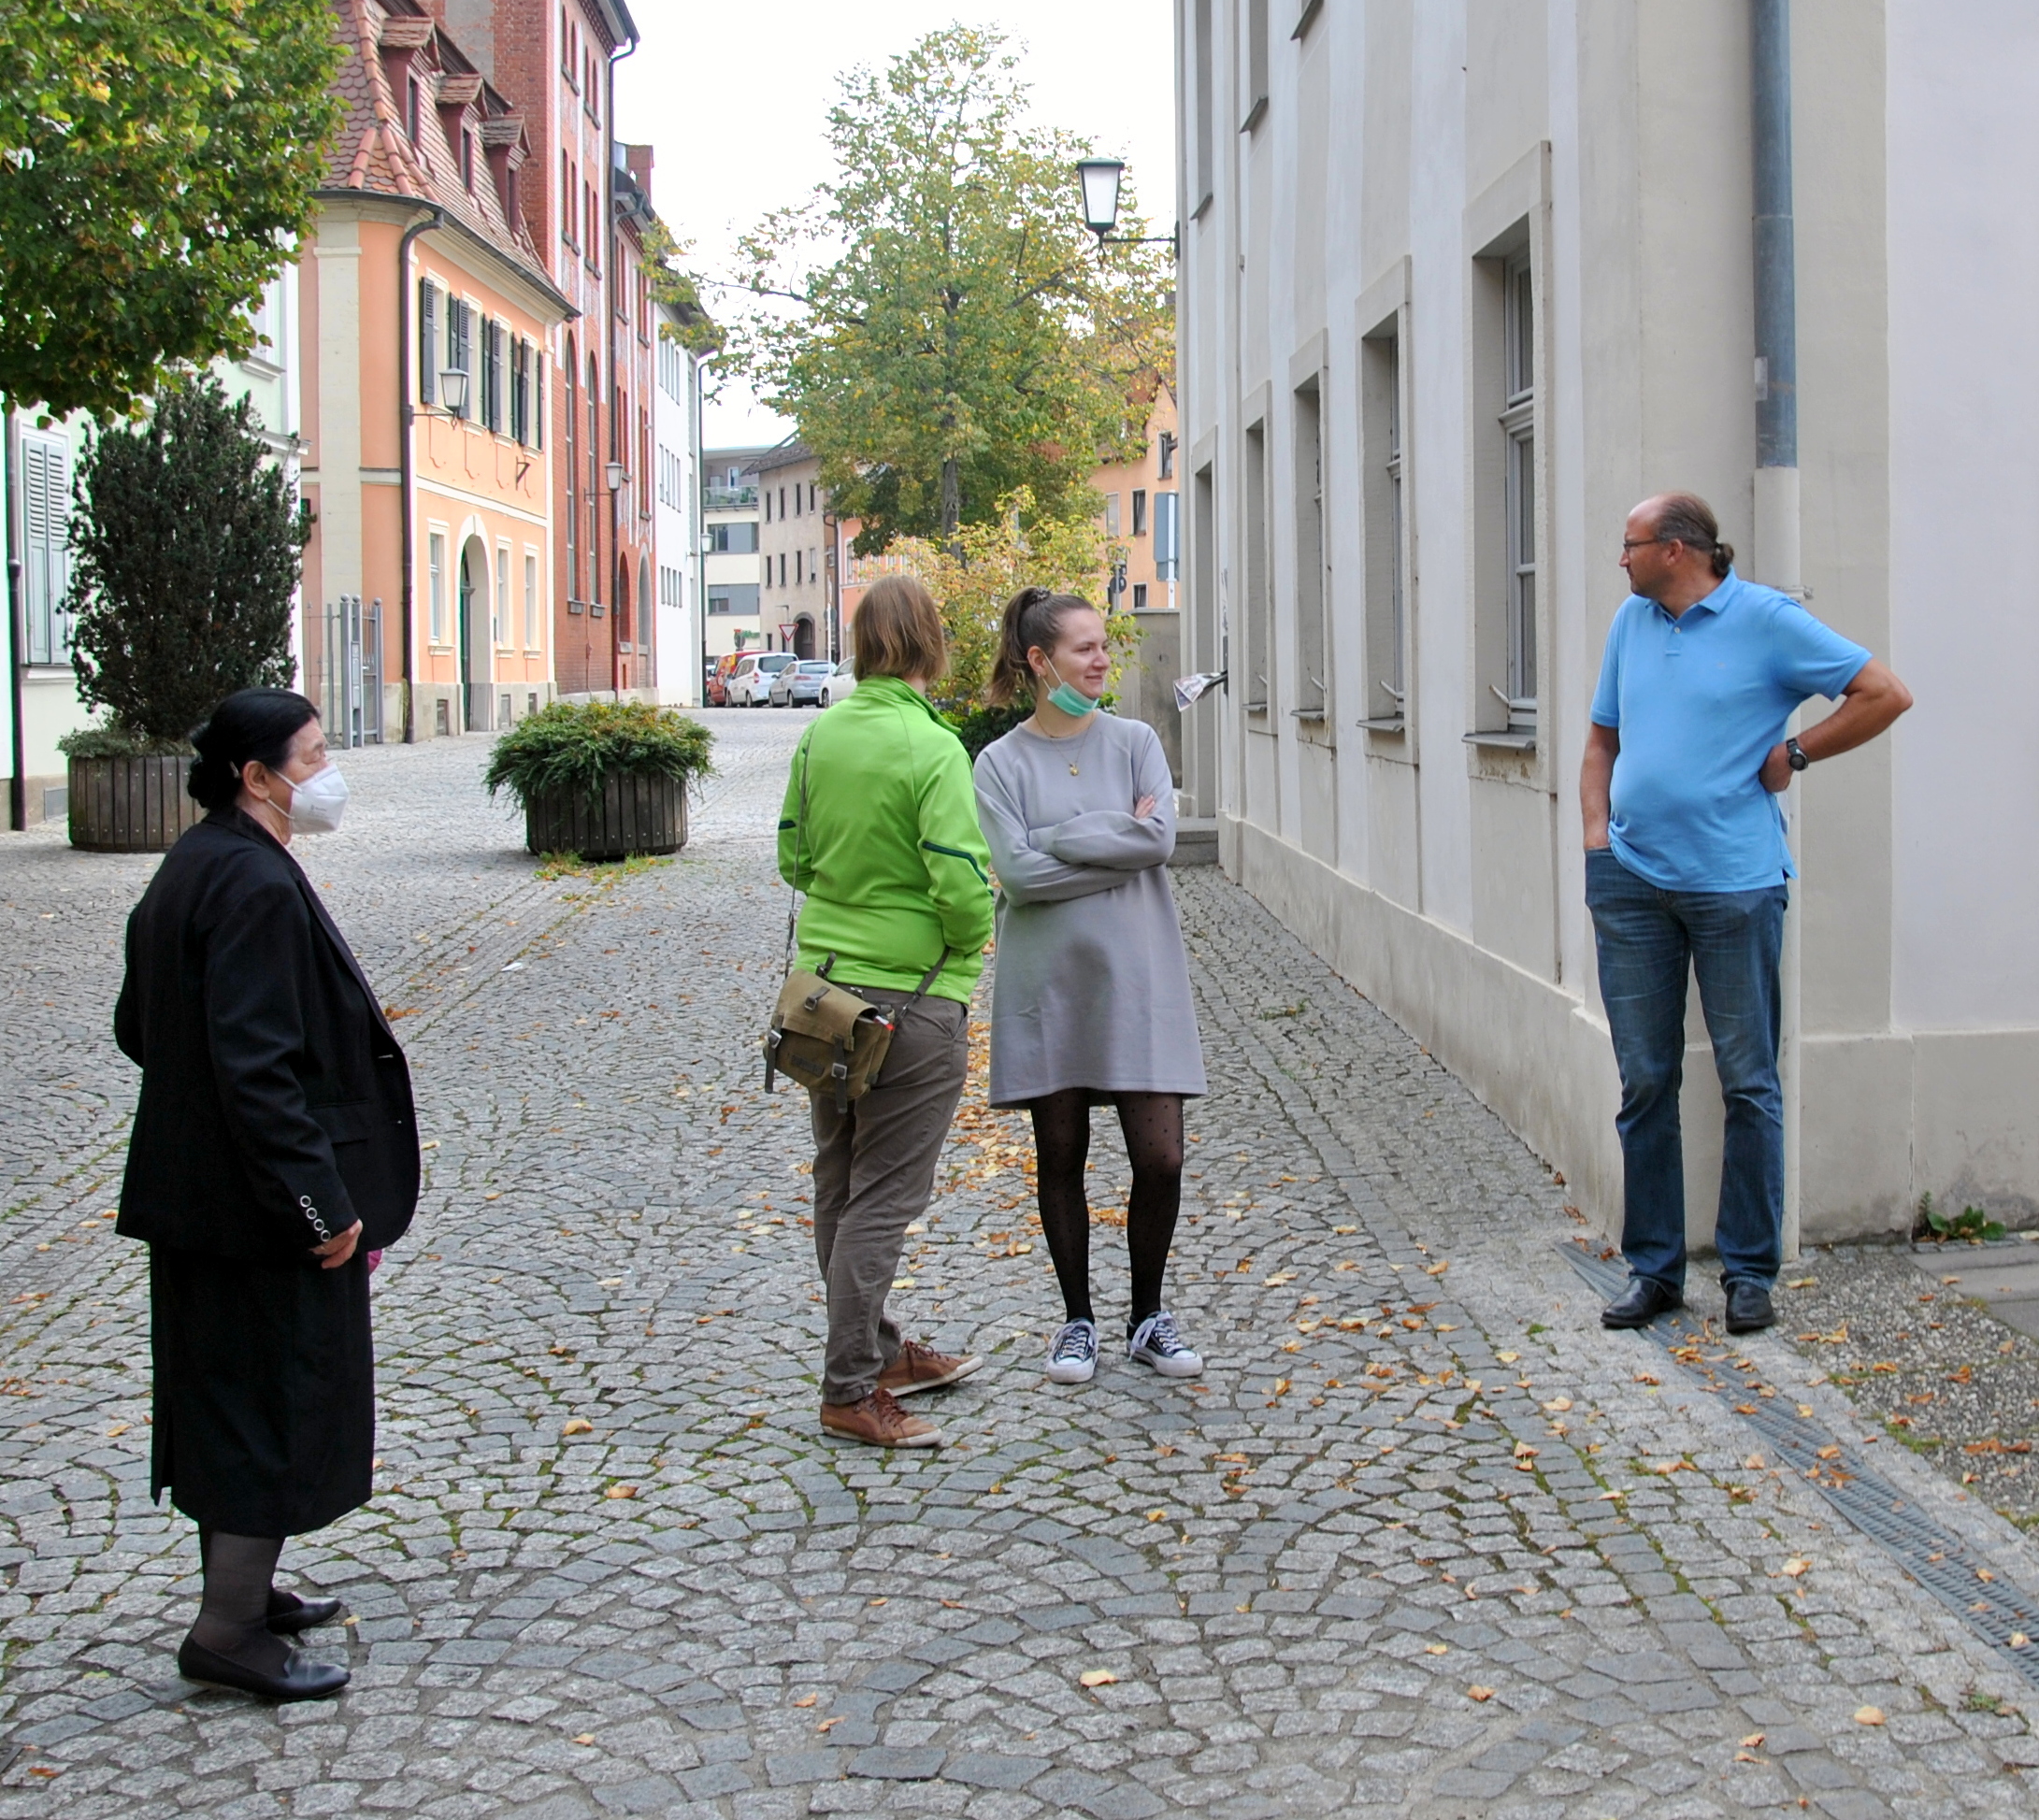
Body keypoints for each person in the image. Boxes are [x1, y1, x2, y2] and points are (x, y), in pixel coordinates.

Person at [115, 688, 419, 1699]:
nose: (328, 772)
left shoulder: (198, 859)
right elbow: (255, 1067)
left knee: (235, 1395)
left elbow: (140, 1025)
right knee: (271, 1404)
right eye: (314, 754)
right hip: (252, 1211)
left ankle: (250, 1585)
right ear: (257, 776)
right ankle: (228, 1629)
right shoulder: (247, 883)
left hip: (204, 1196)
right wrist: (317, 1203)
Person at [1582, 494, 1911, 1335]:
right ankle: (1653, 1268)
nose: (1619, 559)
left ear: (1677, 548)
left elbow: (1882, 692)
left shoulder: (1768, 620)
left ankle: (1748, 1272)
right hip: (1629, 885)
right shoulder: (1631, 620)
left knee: (1748, 1079)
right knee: (1645, 1079)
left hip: (1733, 886)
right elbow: (1600, 740)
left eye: (1630, 545)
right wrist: (1596, 839)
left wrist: (1795, 751)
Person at [777, 576, 995, 1449]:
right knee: (881, 1198)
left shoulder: (821, 733)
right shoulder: (931, 746)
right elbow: (962, 883)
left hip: (822, 993)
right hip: (910, 997)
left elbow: (792, 853)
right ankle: (849, 1388)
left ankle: (878, 1350)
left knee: (839, 1179)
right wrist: (965, 947)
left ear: (863, 641)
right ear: (931, 643)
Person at [972, 586, 1208, 1385]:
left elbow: (1156, 842)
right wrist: (1110, 837)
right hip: (1051, 982)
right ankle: (1077, 1319)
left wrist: (1059, 840)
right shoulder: (998, 763)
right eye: (1083, 648)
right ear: (1040, 662)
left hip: (1138, 976)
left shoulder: (1137, 740)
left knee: (1162, 1157)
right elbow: (1018, 877)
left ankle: (1148, 1314)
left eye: (1103, 644)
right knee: (1060, 1153)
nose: (1102, 658)